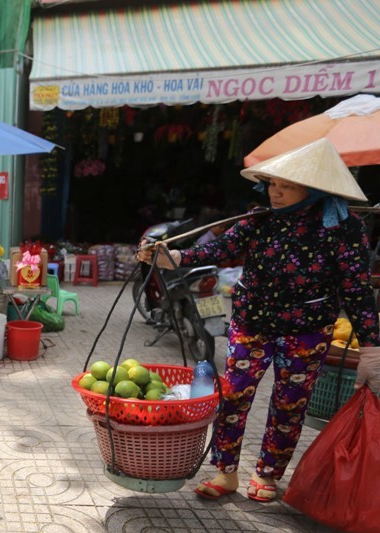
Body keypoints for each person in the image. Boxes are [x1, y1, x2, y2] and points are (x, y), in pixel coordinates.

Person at [138, 139, 380, 502]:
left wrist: (372, 347)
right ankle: (225, 472)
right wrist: (176, 255)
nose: (275, 193)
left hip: (307, 332)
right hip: (252, 324)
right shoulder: (259, 219)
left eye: (286, 186)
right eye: (271, 184)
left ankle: (268, 473)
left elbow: (357, 289)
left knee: (289, 404)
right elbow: (219, 249)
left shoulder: (344, 229)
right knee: (233, 395)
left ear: (313, 189)